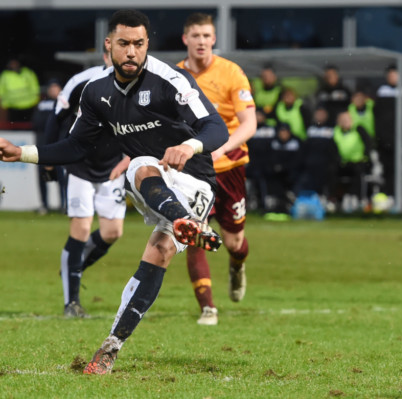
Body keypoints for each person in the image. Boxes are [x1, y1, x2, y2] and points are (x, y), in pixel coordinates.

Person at [0, 9, 230, 375]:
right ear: (109, 46)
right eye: (123, 44)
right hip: (159, 184)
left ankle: (111, 345)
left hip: (196, 181)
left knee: (152, 221)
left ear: (147, 45)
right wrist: (23, 153)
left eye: (139, 44)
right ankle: (110, 346)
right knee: (141, 184)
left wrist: (190, 148)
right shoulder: (96, 93)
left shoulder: (172, 80)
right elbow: (76, 146)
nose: (131, 52)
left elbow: (217, 128)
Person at [177, 12, 257, 326]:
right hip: (194, 168)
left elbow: (249, 123)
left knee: (234, 241)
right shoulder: (175, 76)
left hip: (231, 165)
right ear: (186, 39)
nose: (201, 41)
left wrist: (221, 147)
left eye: (206, 36)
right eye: (195, 35)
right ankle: (208, 307)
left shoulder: (231, 73)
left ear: (214, 39)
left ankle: (237, 265)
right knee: (194, 231)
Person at [46, 50, 130, 318]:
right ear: (106, 53)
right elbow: (56, 117)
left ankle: (74, 265)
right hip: (80, 165)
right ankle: (72, 302)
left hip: (113, 167)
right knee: (80, 230)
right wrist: (49, 158)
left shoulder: (137, 86)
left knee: (112, 232)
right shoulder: (83, 81)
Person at [374, 64, 402, 199]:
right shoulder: (382, 91)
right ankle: (387, 196)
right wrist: (381, 137)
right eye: (389, 74)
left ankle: (398, 197)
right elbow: (378, 117)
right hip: (384, 140)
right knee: (386, 168)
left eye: (394, 74)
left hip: (400, 139)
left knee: (398, 169)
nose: (392, 77)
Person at [30, 79, 65, 214]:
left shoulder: (64, 104)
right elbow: (37, 123)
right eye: (51, 88)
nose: (53, 90)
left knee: (61, 177)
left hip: (59, 148)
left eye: (56, 88)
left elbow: (65, 124)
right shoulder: (42, 105)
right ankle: (44, 205)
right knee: (44, 176)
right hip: (43, 149)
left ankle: (64, 205)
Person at [332, 111, 374, 212]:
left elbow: (368, 144)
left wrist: (365, 156)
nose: (345, 122)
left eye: (347, 119)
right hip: (343, 162)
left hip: (358, 161)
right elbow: (332, 148)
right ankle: (334, 200)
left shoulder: (358, 129)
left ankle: (356, 198)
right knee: (331, 171)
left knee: (358, 172)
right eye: (342, 120)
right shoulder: (336, 132)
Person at [294, 106, 337, 198]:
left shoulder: (333, 129)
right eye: (318, 114)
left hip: (325, 164)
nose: (320, 116)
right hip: (310, 163)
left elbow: (334, 150)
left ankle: (326, 197)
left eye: (322, 114)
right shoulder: (310, 130)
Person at [0, 58, 40, 124]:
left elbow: (35, 88)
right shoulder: (5, 75)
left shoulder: (28, 73)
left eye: (15, 63)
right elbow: (1, 90)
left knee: (28, 126)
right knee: (14, 126)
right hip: (12, 106)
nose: (14, 65)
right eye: (12, 63)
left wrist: (35, 101)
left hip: (29, 105)